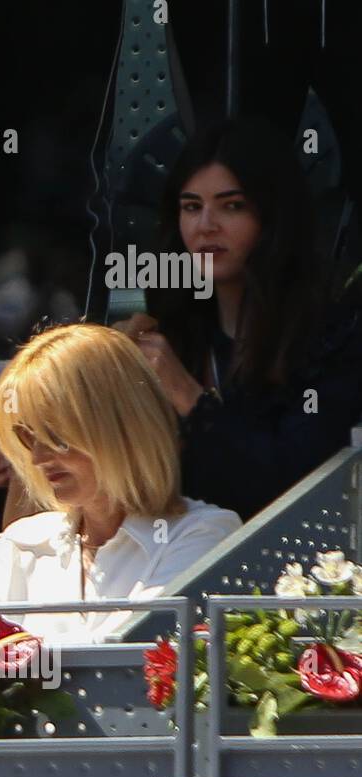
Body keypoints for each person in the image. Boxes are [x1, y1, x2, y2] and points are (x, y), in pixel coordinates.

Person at [116, 119, 362, 521]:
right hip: (170, 564)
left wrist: (189, 398)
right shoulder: (174, 330)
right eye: (191, 207)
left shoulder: (330, 336)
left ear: (272, 217)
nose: (205, 225)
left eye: (232, 206)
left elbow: (294, 484)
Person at [0, 324, 241, 644]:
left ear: (118, 428)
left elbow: (134, 661)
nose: (37, 458)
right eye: (26, 437)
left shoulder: (205, 534)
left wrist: (16, 662)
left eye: (54, 435)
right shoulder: (24, 543)